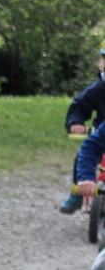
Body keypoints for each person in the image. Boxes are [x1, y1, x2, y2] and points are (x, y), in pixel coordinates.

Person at [59, 41, 105, 213]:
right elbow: (78, 107)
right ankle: (79, 192)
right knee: (84, 156)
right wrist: (75, 122)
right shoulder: (97, 89)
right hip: (101, 132)